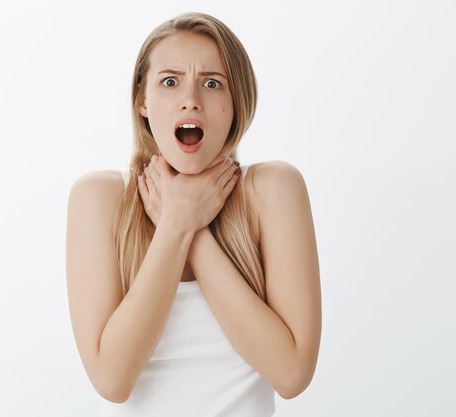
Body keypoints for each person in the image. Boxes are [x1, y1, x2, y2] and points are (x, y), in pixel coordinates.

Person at [66, 11, 321, 417]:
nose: (191, 99)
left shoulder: (273, 189)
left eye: (212, 83)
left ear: (236, 102)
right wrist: (175, 225)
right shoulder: (99, 199)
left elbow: (291, 374)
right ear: (142, 100)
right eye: (170, 81)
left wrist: (189, 225)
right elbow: (112, 380)